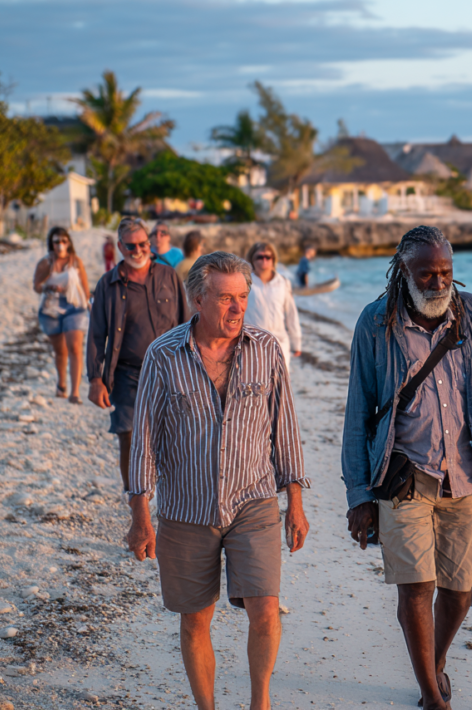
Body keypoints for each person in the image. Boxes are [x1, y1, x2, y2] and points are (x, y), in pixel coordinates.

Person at [342, 226, 472, 710]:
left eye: (446, 272)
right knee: (417, 587)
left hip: (467, 477)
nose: (440, 282)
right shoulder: (375, 322)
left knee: (459, 592)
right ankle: (432, 697)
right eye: (428, 273)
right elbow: (358, 410)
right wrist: (359, 495)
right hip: (404, 477)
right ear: (404, 271)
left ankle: (435, 663)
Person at [126, 251, 310, 710]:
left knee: (265, 609)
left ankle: (259, 703)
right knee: (195, 619)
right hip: (186, 509)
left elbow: (284, 428)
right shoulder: (163, 355)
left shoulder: (267, 350)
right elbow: (144, 440)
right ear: (197, 299)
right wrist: (140, 517)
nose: (236, 308)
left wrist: (296, 503)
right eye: (225, 298)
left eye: (242, 297)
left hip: (254, 501)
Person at [87, 217, 190, 492]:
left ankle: (169, 499)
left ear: (150, 242)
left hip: (170, 371)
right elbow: (97, 335)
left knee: (173, 438)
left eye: (143, 243)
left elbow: (186, 322)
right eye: (131, 246)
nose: (138, 250)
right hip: (127, 373)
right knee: (129, 437)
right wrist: (95, 379)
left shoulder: (169, 276)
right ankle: (136, 501)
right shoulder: (107, 285)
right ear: (120, 246)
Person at [33, 227, 91, 403]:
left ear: (69, 243)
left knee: (75, 347)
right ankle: (61, 384)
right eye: (57, 241)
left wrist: (87, 301)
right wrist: (48, 285)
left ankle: (75, 392)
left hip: (74, 307)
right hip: (51, 309)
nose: (60, 245)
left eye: (64, 241)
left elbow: (86, 288)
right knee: (60, 351)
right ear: (51, 243)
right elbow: (36, 286)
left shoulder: (76, 261)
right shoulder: (45, 263)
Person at [244, 241, 301, 367]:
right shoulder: (245, 283)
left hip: (279, 342)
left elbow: (291, 313)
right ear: (252, 259)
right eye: (260, 257)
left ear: (273, 260)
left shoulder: (283, 283)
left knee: (279, 383)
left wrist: (296, 342)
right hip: (251, 344)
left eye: (268, 257)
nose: (264, 260)